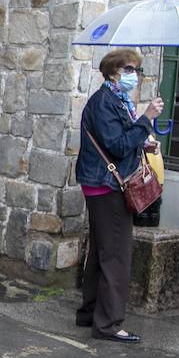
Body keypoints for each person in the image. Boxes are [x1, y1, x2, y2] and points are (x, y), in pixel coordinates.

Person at [74, 49, 164, 342]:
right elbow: (117, 144)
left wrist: (143, 142)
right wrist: (146, 119)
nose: (133, 75)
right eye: (128, 69)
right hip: (107, 186)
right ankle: (108, 323)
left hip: (103, 183)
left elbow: (122, 141)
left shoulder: (116, 101)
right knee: (116, 255)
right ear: (113, 72)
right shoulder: (106, 102)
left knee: (102, 251)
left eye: (136, 70)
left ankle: (90, 313)